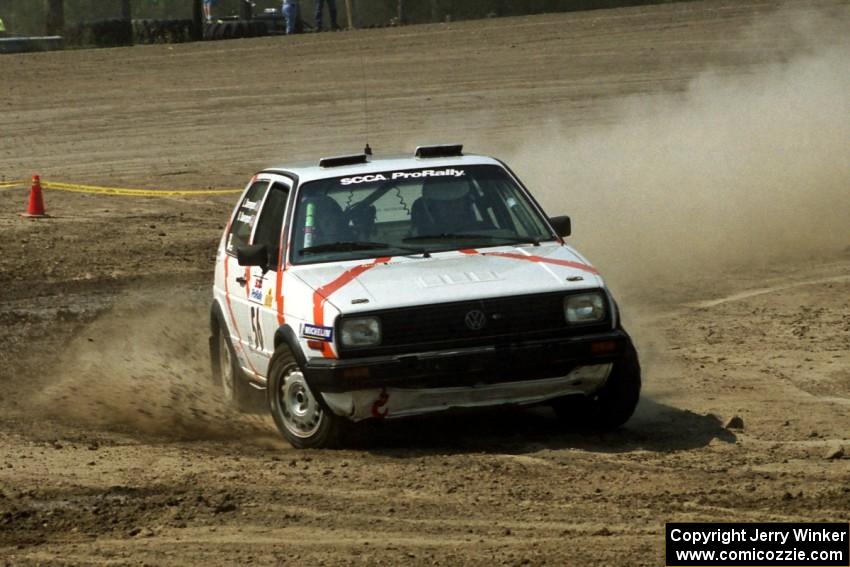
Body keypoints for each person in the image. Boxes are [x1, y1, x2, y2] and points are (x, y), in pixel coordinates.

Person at [411, 179, 477, 236]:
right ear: (429, 207)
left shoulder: (482, 231)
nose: (453, 207)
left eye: (458, 201)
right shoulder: (419, 240)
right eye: (446, 203)